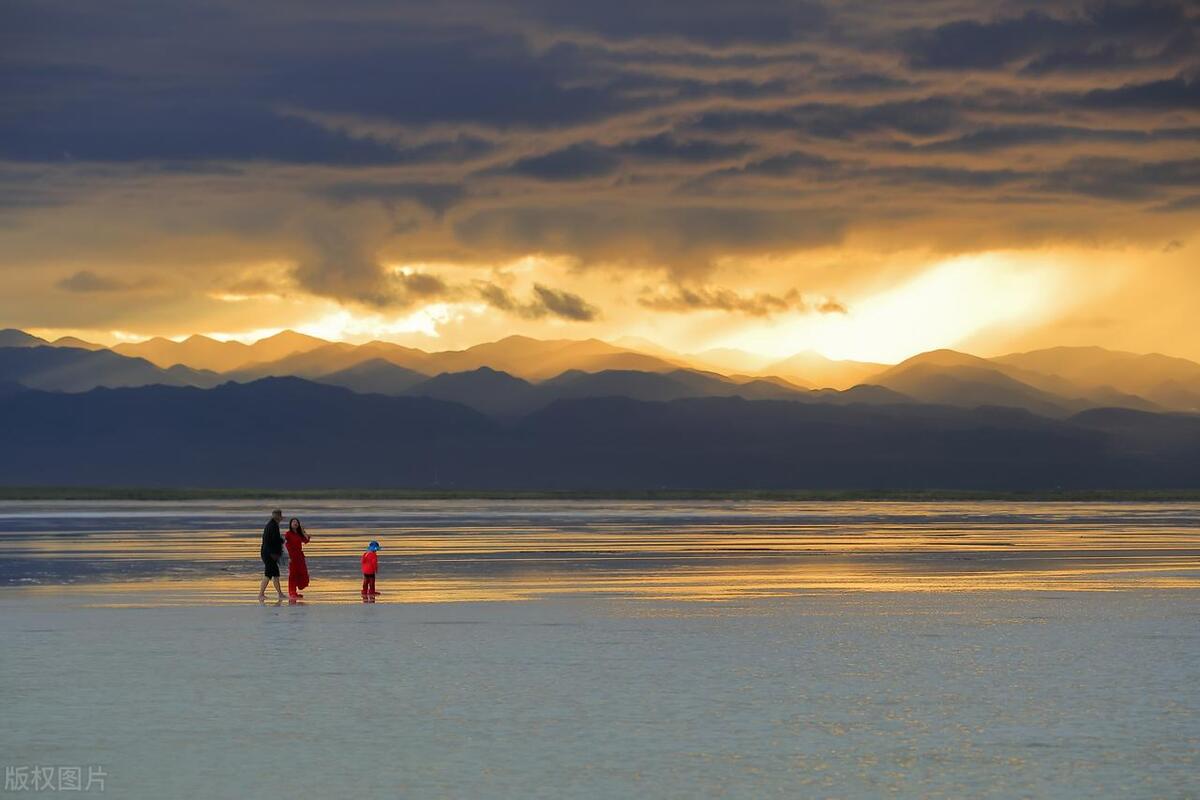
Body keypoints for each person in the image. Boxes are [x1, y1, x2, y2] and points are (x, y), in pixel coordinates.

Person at [258, 509, 285, 600]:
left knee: (275, 574)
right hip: (269, 554)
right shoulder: (273, 526)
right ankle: (261, 594)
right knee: (268, 574)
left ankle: (280, 593)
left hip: (268, 553)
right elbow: (273, 540)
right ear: (279, 517)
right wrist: (282, 540)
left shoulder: (272, 524)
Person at [284, 517, 311, 599]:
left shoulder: (299, 534)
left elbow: (306, 540)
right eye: (293, 522)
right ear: (290, 524)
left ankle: (299, 588)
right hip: (291, 557)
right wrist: (286, 556)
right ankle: (292, 592)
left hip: (300, 557)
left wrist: (303, 531)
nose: (295, 523)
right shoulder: (288, 534)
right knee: (293, 574)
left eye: (296, 522)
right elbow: (283, 544)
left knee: (303, 574)